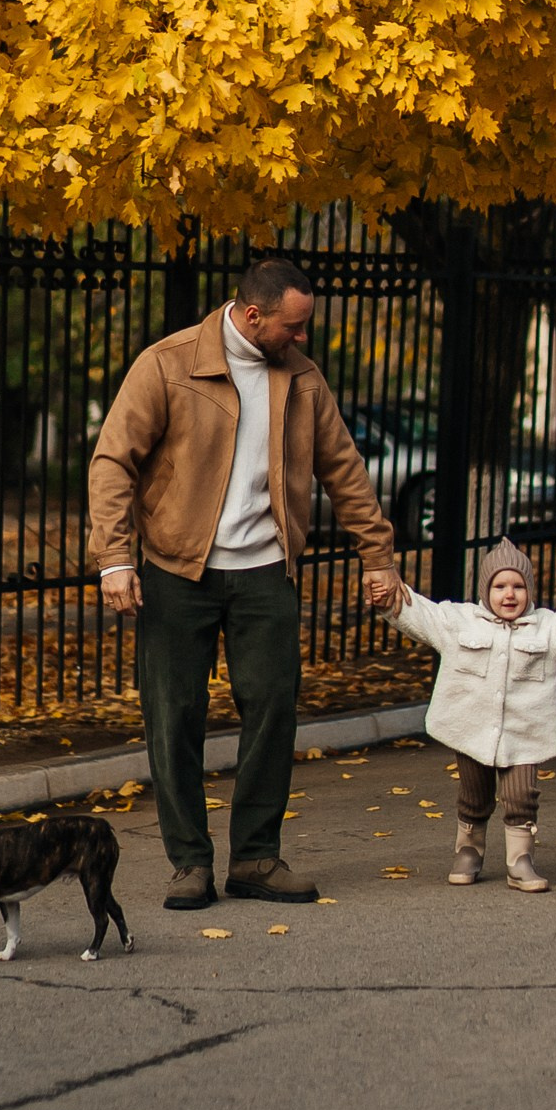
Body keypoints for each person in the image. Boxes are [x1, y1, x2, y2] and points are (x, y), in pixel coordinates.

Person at [90, 254, 399, 909]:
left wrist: (378, 557)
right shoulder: (168, 365)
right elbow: (114, 460)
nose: (302, 337)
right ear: (252, 315)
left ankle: (256, 858)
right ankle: (189, 864)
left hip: (265, 570)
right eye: (294, 325)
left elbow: (344, 470)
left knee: (272, 709)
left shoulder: (303, 380)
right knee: (175, 715)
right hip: (178, 570)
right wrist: (114, 559)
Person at [370, 539, 556, 890]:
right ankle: (468, 850)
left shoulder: (548, 628)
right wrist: (389, 598)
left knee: (522, 795)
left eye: (518, 586)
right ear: (485, 590)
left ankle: (520, 860)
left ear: (530, 590)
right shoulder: (460, 621)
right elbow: (421, 613)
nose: (509, 595)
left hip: (524, 733)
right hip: (470, 729)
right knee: (474, 795)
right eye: (499, 586)